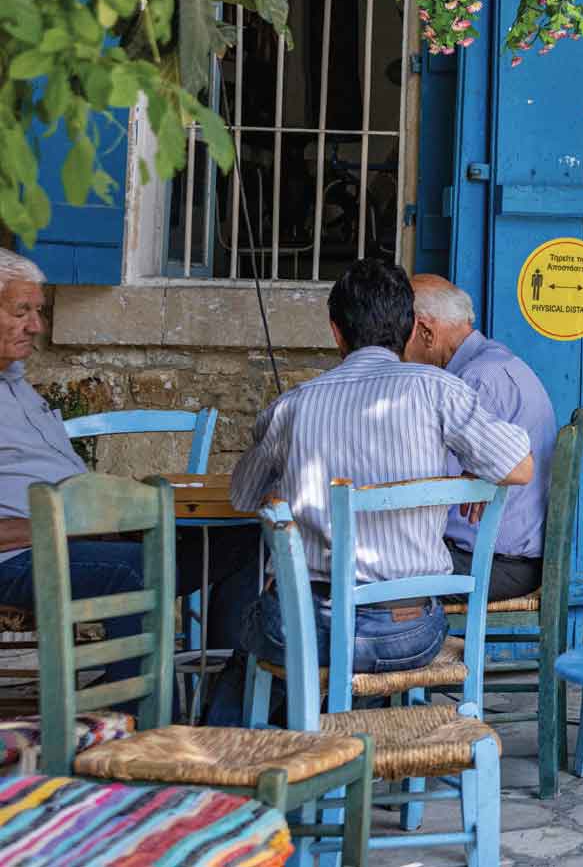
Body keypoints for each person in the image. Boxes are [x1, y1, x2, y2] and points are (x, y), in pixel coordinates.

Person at [207, 259, 532, 724]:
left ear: (336, 332)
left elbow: (242, 496)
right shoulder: (441, 392)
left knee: (257, 634)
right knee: (347, 650)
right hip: (406, 635)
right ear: (408, 329)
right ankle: (356, 738)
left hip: (302, 632)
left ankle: (239, 753)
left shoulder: (292, 406)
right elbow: (519, 468)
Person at [0, 247, 257, 699]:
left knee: (246, 542)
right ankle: (139, 724)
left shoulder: (16, 384)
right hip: (20, 557)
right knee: (140, 570)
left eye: (37, 312)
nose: (36, 326)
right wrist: (62, 528)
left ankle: (220, 713)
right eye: (21, 312)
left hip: (85, 534)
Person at [404, 274, 557, 602]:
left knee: (369, 575)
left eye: (401, 335)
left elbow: (426, 484)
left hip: (495, 565)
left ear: (425, 332)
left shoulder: (476, 380)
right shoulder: (492, 362)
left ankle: (402, 651)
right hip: (498, 557)